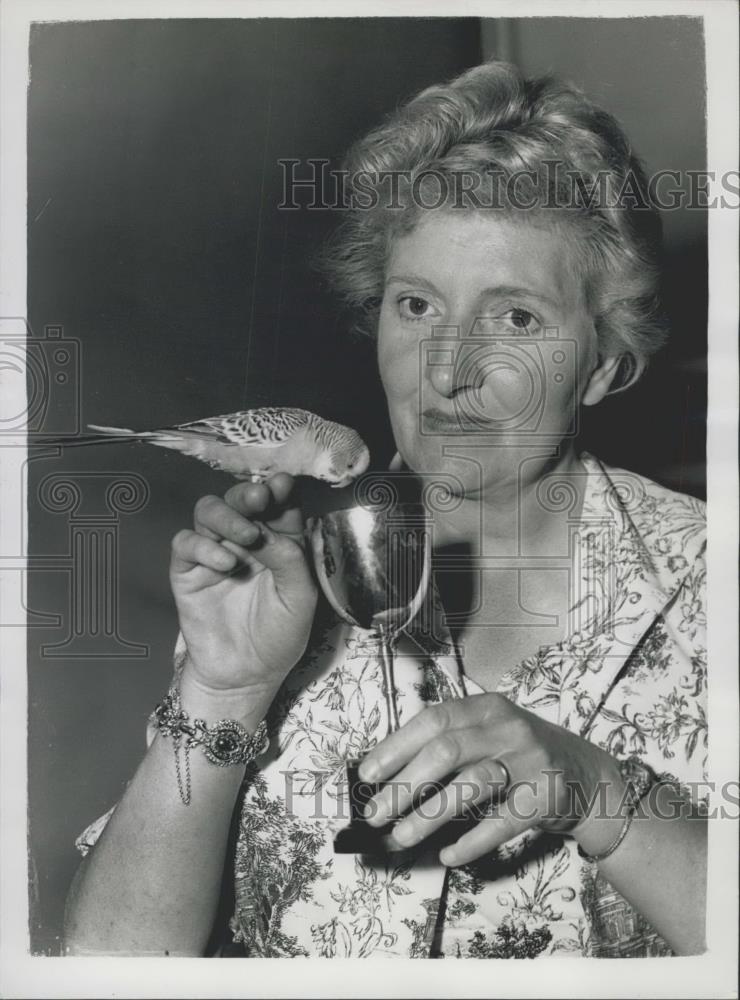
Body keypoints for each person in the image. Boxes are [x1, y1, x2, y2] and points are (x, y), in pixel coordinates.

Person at [64, 60, 707, 959]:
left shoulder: (711, 581)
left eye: (515, 319)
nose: (445, 372)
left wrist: (600, 793)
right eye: (416, 306)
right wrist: (223, 692)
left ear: (604, 362)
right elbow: (108, 969)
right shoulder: (283, 567)